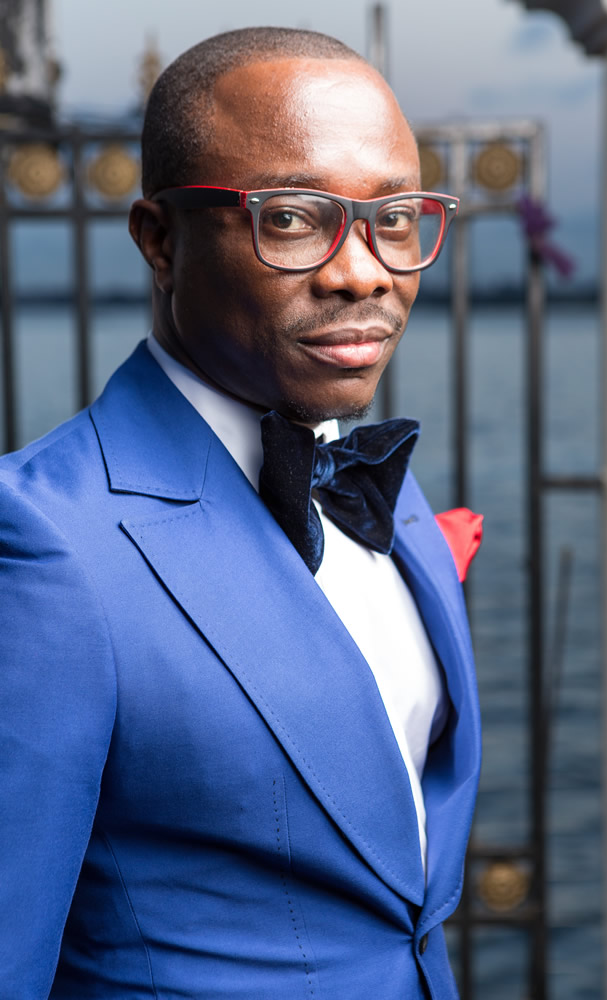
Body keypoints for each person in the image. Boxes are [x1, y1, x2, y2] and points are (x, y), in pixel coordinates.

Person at [0, 27, 481, 1000]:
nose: (363, 272)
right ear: (159, 240)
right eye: (294, 218)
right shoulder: (42, 544)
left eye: (394, 218)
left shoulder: (385, 488)